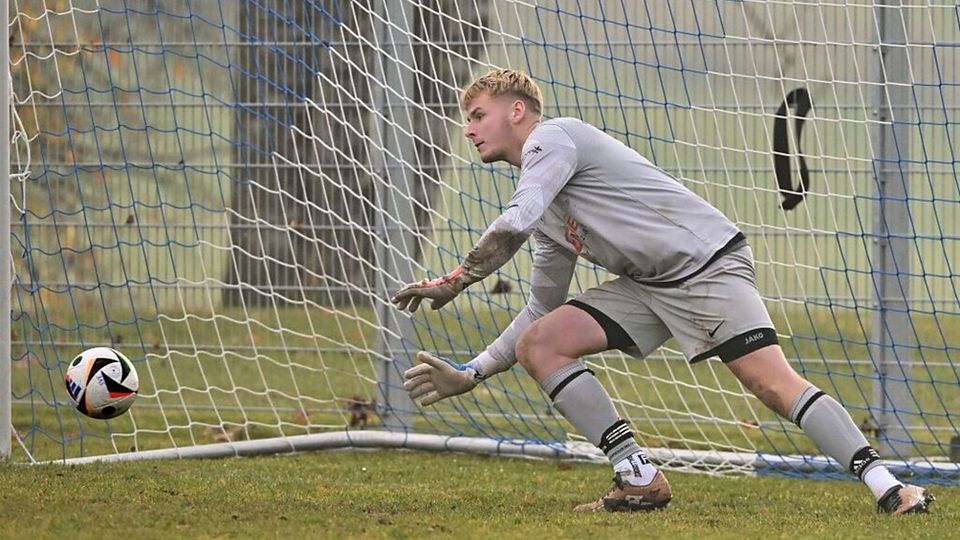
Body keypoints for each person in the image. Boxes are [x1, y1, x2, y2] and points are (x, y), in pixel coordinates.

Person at [391, 68, 934, 515]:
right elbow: (539, 304)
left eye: (478, 115)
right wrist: (472, 373)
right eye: (467, 120)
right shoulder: (550, 209)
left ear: (517, 111)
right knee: (542, 342)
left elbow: (516, 219)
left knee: (771, 385)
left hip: (707, 267)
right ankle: (639, 477)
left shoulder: (552, 138)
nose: (469, 130)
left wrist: (457, 279)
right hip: (648, 287)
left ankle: (890, 487)